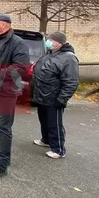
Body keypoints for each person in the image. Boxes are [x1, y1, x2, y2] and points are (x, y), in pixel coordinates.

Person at [0, 14, 30, 179]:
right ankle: (1, 153)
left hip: (6, 92)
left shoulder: (17, 43)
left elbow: (21, 67)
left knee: (4, 126)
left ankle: (1, 164)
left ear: (4, 25)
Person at [31, 31, 79, 159]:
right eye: (49, 40)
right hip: (42, 95)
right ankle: (46, 140)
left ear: (60, 43)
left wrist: (62, 99)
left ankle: (58, 149)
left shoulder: (69, 58)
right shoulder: (50, 53)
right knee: (44, 120)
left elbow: (71, 81)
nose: (48, 42)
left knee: (54, 124)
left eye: (51, 40)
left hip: (54, 97)